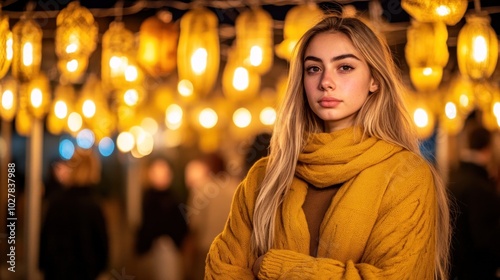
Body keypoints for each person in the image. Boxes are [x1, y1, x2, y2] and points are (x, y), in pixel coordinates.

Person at [205, 14, 451, 279]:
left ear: (374, 79)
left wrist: (279, 269)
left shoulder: (407, 175)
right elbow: (220, 270)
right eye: (314, 68)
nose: (325, 82)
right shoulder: (265, 176)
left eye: (344, 67)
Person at [39, 148, 109, 280]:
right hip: (86, 273)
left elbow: (45, 240)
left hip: (56, 273)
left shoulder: (56, 202)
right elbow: (101, 246)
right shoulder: (94, 206)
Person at [448, 125, 500, 280]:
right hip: (475, 271)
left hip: (455, 270)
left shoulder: (454, 179)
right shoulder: (480, 187)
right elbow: (487, 240)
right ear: (488, 148)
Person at [183, 152, 238, 279]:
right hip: (230, 249)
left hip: (206, 247)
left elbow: (194, 223)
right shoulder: (235, 187)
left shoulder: (201, 188)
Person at [135, 156, 188, 280]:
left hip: (170, 252)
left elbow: (181, 225)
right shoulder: (148, 198)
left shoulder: (174, 199)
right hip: (150, 253)